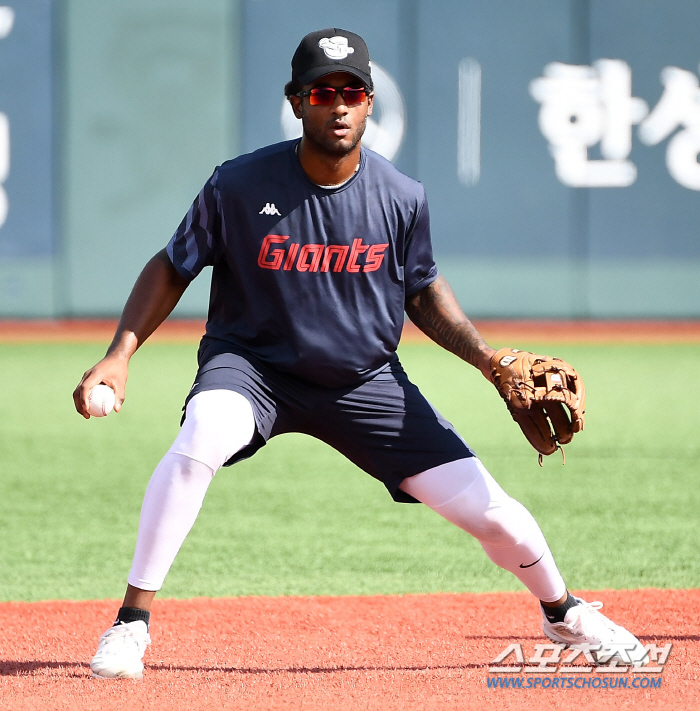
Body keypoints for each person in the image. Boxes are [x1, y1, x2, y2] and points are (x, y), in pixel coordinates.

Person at [74, 28, 646, 680]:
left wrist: (488, 360)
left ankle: (562, 610)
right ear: (297, 102)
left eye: (353, 91)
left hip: (364, 380)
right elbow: (173, 266)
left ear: (370, 102)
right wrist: (120, 352)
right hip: (254, 369)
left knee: (494, 514)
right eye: (324, 91)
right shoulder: (238, 186)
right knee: (202, 434)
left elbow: (424, 291)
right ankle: (130, 622)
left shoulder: (401, 197)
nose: (339, 104)